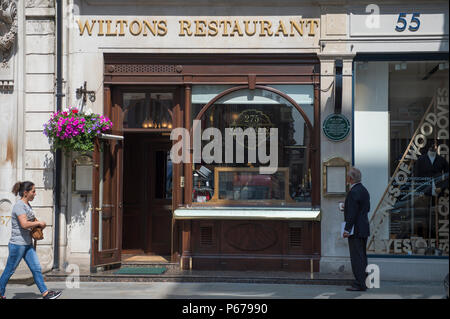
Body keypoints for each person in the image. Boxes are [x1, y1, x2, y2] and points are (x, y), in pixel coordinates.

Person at [0, 181, 62, 300]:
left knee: (36, 268)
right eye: (33, 191)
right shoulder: (19, 206)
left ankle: (45, 294)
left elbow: (29, 223)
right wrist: (38, 223)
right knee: (9, 271)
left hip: (27, 244)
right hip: (17, 245)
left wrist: (38, 226)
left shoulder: (27, 205)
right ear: (25, 193)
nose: (35, 194)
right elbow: (24, 224)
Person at [343, 167, 370, 292]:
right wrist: (346, 206)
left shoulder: (353, 192)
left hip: (356, 229)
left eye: (347, 177)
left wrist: (347, 229)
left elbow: (352, 213)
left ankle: (359, 283)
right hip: (363, 227)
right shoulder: (364, 190)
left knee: (356, 257)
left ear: (351, 178)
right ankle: (364, 281)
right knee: (362, 256)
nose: (346, 179)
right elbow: (365, 208)